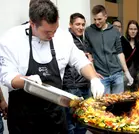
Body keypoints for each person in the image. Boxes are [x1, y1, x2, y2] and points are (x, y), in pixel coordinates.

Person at [0, 1, 104, 134]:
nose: (53, 35)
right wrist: (27, 80)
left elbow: (80, 60)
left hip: (54, 116)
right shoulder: (11, 39)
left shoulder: (62, 36)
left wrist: (94, 78)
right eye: (47, 32)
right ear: (32, 24)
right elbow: (6, 76)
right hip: (24, 118)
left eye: (55, 30)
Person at [85, 5, 133, 94]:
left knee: (119, 103)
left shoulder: (114, 31)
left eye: (99, 19)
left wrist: (126, 72)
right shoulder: (88, 31)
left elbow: (120, 53)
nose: (97, 22)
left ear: (105, 16)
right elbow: (89, 54)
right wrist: (94, 73)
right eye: (95, 19)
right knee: (105, 105)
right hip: (101, 76)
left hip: (117, 73)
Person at [63, 13, 90, 134]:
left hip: (84, 85)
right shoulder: (67, 39)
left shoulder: (81, 38)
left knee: (83, 120)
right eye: (77, 24)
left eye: (83, 24)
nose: (81, 27)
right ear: (70, 24)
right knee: (71, 123)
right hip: (73, 88)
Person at [122, 20, 139, 91]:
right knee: (126, 94)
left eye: (135, 29)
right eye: (131, 29)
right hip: (126, 73)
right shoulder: (123, 42)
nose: (133, 31)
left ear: (138, 31)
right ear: (128, 30)